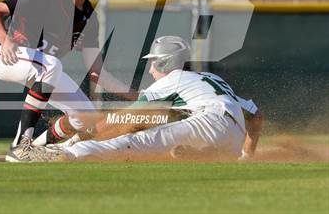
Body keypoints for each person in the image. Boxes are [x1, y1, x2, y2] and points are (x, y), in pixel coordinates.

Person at [0, 0, 136, 162]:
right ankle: (20, 146)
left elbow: (96, 72)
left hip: (41, 67)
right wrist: (4, 38)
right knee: (52, 66)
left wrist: (136, 97)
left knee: (87, 117)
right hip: (4, 55)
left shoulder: (88, 19)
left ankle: (37, 146)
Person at [29, 36, 263, 162]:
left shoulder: (174, 78)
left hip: (210, 121)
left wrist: (84, 135)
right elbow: (256, 116)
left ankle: (67, 154)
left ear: (165, 61)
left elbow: (133, 113)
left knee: (138, 141)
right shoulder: (210, 78)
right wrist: (246, 156)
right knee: (173, 140)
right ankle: (200, 153)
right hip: (234, 136)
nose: (151, 69)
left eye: (153, 62)